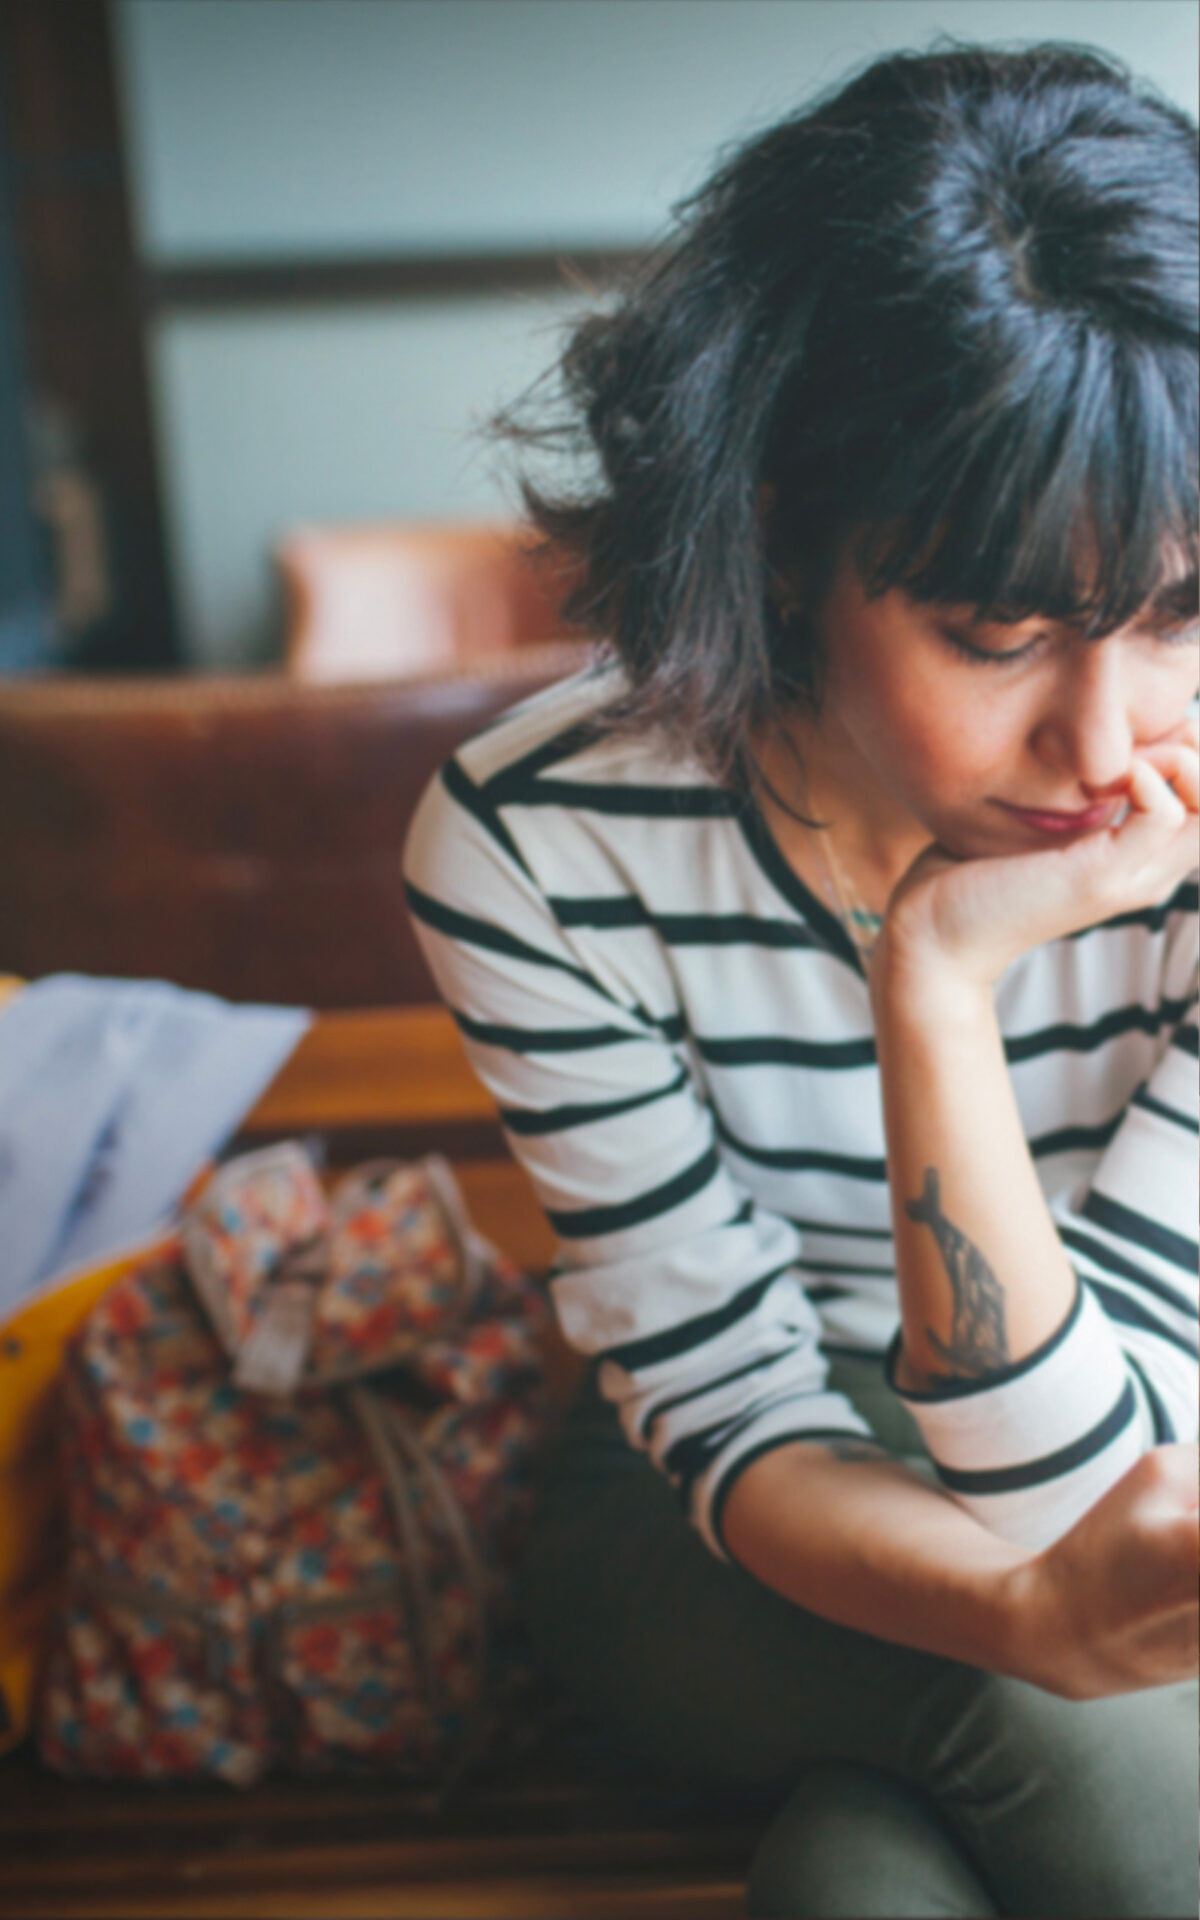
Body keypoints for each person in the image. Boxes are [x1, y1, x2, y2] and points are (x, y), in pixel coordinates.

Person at [403, 41, 1199, 1918]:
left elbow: (1100, 1474)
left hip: (1147, 1450)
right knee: (1056, 1712)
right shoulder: (536, 841)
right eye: (996, 629)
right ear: (775, 534)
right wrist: (937, 980)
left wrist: (1056, 1594)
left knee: (864, 1886)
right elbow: (738, 1408)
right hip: (730, 1523)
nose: (1108, 740)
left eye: (1179, 611)